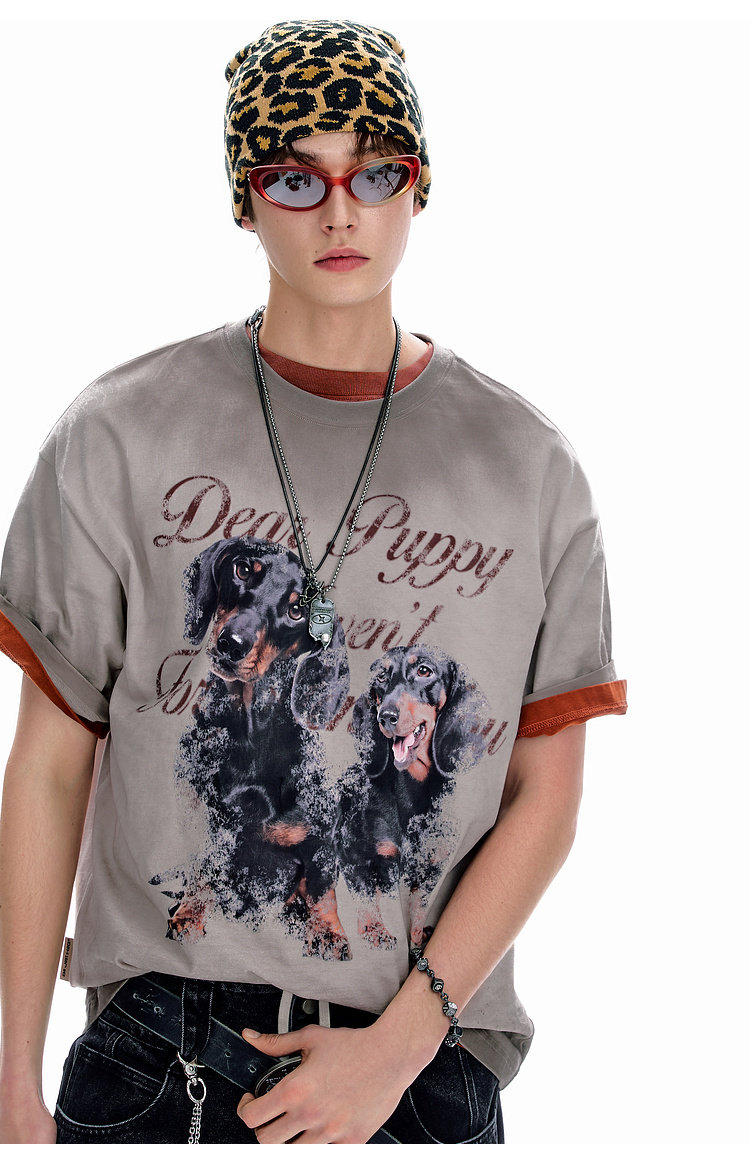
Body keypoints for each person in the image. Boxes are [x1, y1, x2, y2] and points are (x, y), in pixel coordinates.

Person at [0, 19, 627, 1145]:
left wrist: (395, 1051)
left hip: (419, 1068)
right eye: (297, 177)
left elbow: (548, 797)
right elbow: (49, 767)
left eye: (375, 172)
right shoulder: (119, 434)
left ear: (419, 187)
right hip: (158, 1061)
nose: (342, 213)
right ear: (245, 200)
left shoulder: (529, 467)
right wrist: (9, 1087)